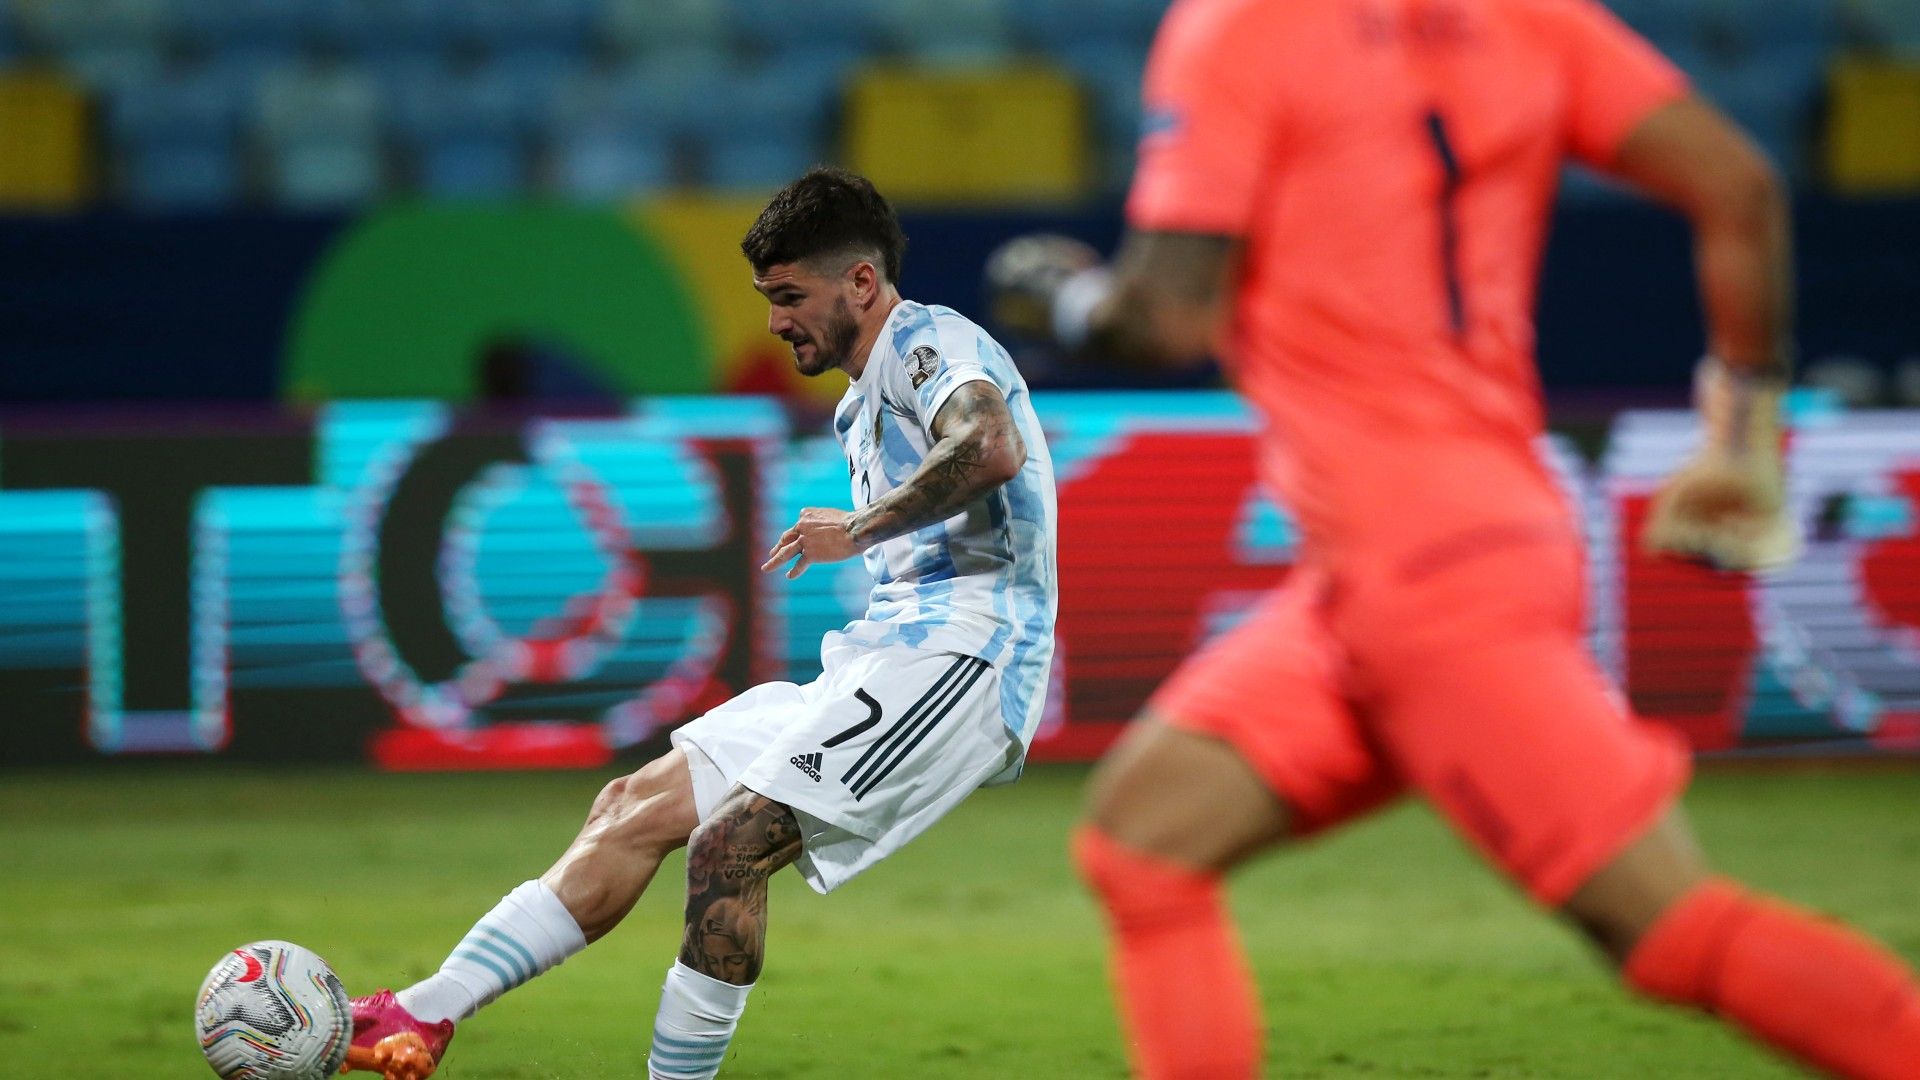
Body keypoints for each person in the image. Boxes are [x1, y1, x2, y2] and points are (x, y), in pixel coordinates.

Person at [986, 0, 1919, 1077]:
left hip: (1420, 577)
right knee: (1145, 839)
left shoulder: (1243, 27)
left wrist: (1064, 295)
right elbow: (1738, 185)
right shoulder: (1529, 17)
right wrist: (1745, 436)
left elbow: (1163, 320)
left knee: (1668, 930)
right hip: (1461, 537)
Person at [343, 167, 1058, 1080]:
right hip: (887, 655)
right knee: (634, 806)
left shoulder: (930, 342)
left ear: (862, 282)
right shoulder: (861, 398)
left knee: (732, 846)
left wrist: (859, 528)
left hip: (971, 656)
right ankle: (424, 1012)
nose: (776, 322)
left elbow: (988, 445)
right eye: (767, 299)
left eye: (789, 297)